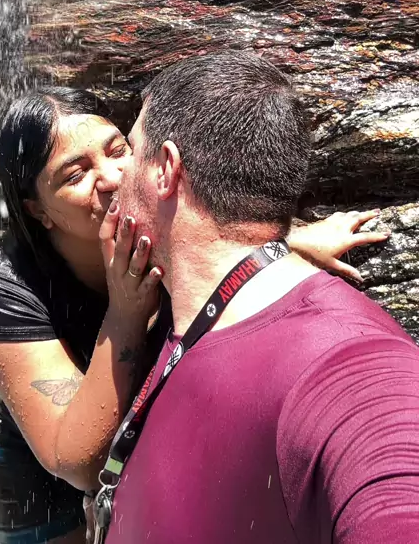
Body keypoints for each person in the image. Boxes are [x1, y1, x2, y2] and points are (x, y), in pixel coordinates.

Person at [0, 85, 388, 544]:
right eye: (76, 175)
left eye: (117, 150)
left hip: (122, 410)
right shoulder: (5, 280)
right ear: (37, 210)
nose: (112, 178)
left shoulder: (150, 213)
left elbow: (212, 237)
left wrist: (288, 245)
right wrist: (126, 312)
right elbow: (78, 463)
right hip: (34, 450)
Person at [97, 51, 419, 544]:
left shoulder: (349, 363)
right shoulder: (187, 315)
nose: (115, 174)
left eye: (131, 149)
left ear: (165, 170)